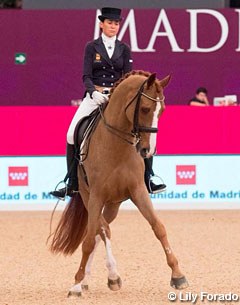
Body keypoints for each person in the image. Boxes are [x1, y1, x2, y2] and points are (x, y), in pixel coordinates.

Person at [50, 7, 166, 199]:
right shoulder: (92, 47)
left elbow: (129, 76)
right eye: (110, 23)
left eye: (116, 23)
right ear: (101, 24)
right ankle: (71, 182)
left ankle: (149, 178)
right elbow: (86, 75)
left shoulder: (124, 48)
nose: (113, 26)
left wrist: (118, 94)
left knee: (141, 129)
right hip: (95, 96)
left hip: (117, 98)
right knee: (71, 134)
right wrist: (93, 93)